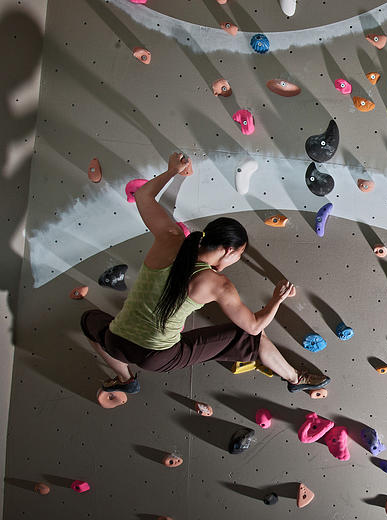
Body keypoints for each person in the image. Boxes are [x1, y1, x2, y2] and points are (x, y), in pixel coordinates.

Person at [80, 152, 329, 395]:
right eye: (238, 255)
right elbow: (253, 327)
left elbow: (144, 195)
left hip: (115, 341)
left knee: (89, 320)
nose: (236, 260)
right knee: (249, 339)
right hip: (156, 358)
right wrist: (277, 299)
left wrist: (171, 171)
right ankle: (296, 379)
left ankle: (125, 378)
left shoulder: (169, 238)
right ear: (229, 250)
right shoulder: (218, 284)